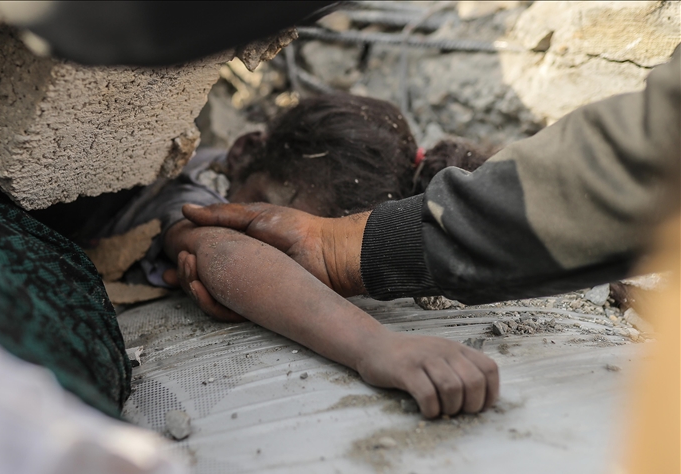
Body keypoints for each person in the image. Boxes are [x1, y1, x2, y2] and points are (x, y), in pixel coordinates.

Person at [175, 45, 680, 320]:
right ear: (249, 148)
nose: (252, 230)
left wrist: (373, 348)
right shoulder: (187, 174)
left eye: (264, 210)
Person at [94, 93, 498, 418]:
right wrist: (375, 345)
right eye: (264, 212)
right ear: (243, 151)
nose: (272, 256)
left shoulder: (251, 178)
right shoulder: (198, 194)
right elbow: (227, 250)